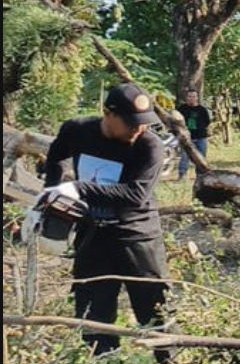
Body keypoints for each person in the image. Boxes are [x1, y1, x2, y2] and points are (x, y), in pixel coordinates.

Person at [43, 83, 174, 363]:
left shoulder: (149, 145)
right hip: (92, 235)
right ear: (108, 114)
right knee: (93, 312)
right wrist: (51, 194)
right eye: (131, 123)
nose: (138, 129)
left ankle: (168, 358)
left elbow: (135, 195)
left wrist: (78, 188)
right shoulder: (77, 130)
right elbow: (55, 157)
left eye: (143, 123)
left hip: (136, 236)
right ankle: (104, 358)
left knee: (155, 310)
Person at [176, 88, 212, 180]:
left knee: (201, 157)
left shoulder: (202, 110)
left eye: (194, 96)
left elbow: (207, 122)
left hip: (200, 137)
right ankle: (182, 175)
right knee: (184, 156)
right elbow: (176, 120)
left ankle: (200, 175)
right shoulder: (181, 109)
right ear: (186, 97)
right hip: (186, 137)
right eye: (190, 96)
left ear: (197, 98)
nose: (192, 98)